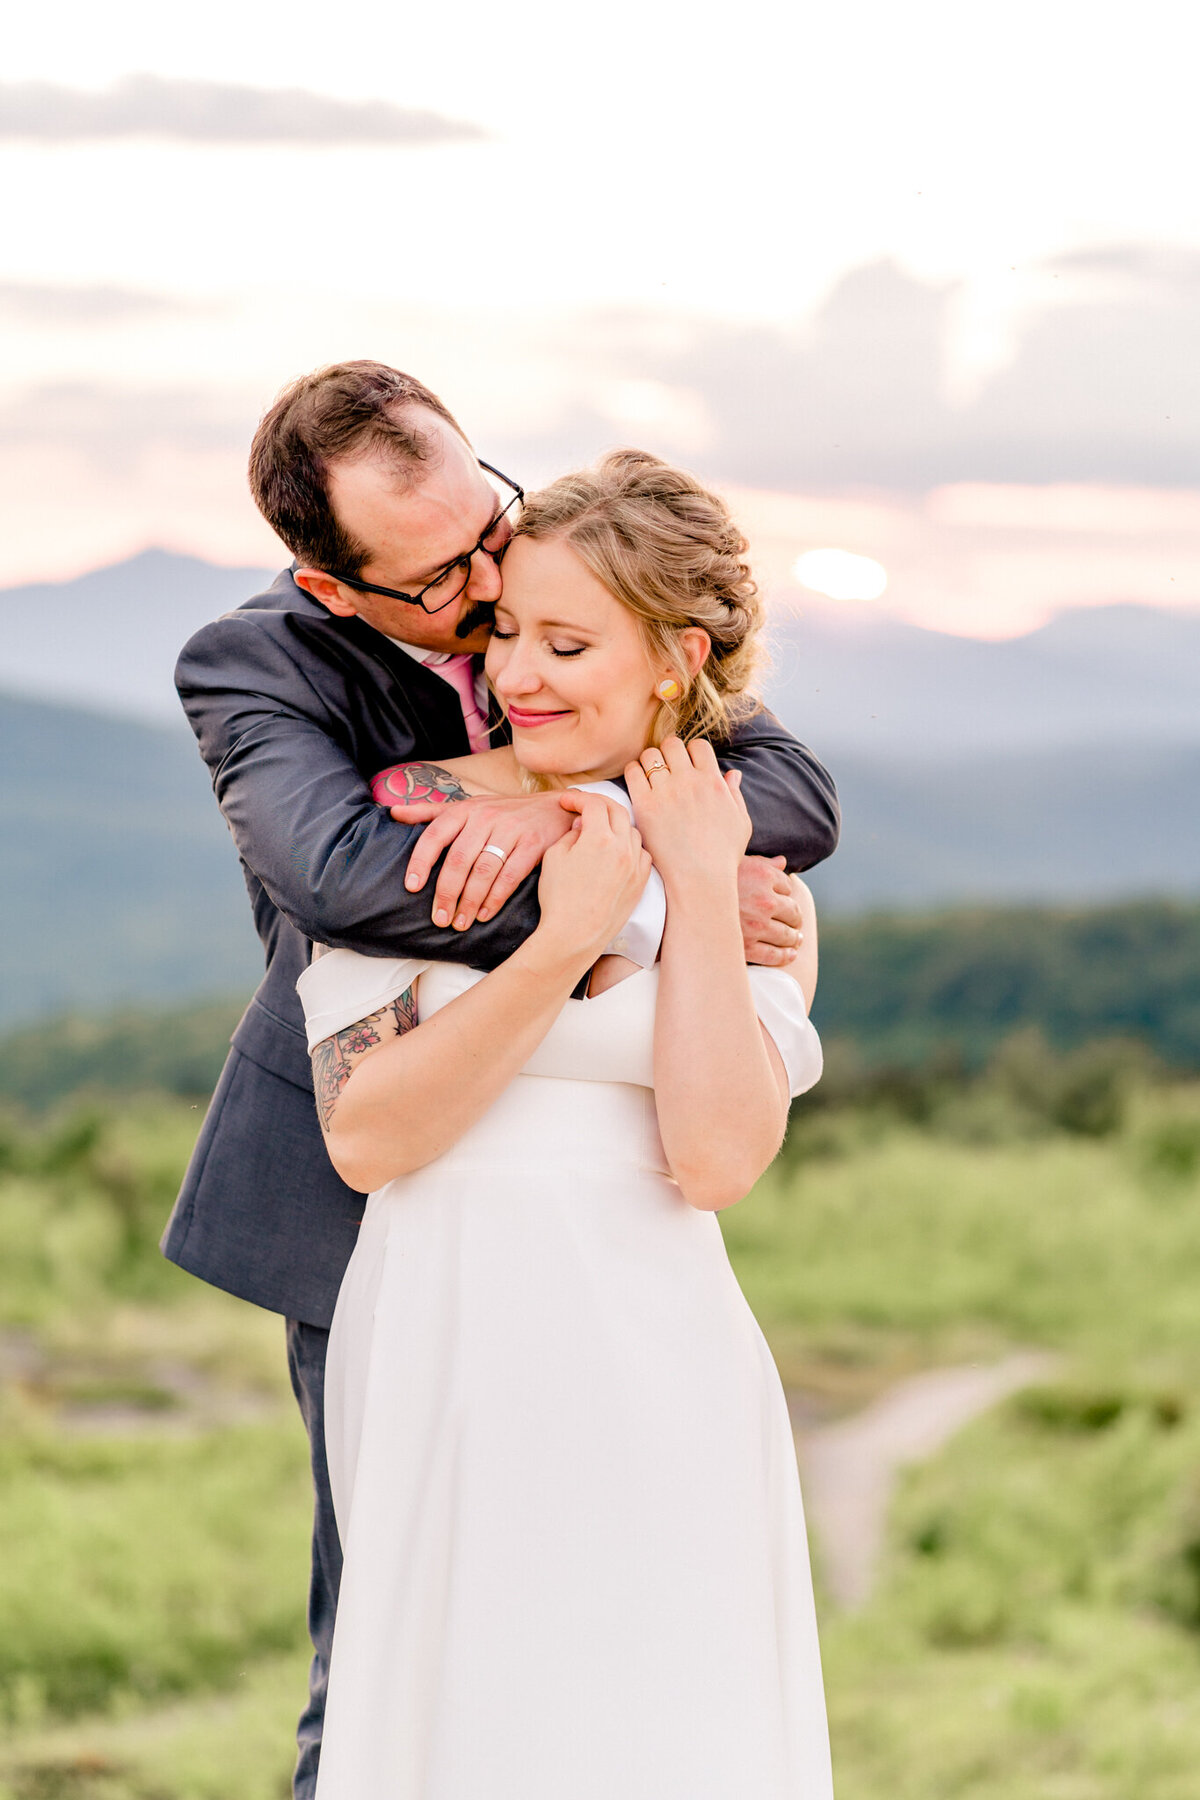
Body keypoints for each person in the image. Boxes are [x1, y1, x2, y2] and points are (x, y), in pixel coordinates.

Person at [161, 362, 839, 1797]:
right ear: (338, 590)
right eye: (454, 583)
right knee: (393, 1662)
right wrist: (573, 885)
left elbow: (793, 798)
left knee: (656, 1674)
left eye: (497, 530)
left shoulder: (576, 583)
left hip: (643, 1293)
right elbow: (344, 874)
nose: (491, 605)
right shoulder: (262, 666)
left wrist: (608, 821)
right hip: (388, 1229)